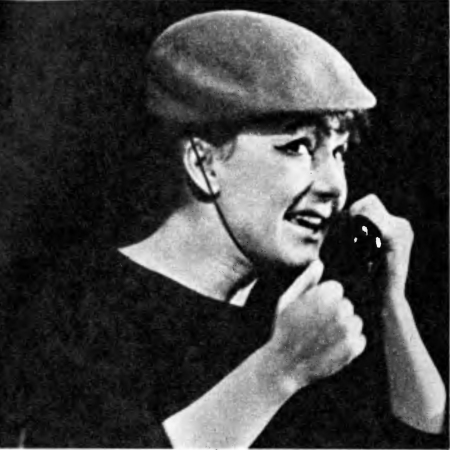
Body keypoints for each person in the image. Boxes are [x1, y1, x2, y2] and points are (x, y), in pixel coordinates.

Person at [2, 10, 446, 448]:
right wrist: (276, 373)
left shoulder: (296, 317)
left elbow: (421, 437)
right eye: (297, 146)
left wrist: (393, 304)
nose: (335, 186)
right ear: (203, 163)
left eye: (340, 152)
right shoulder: (79, 310)